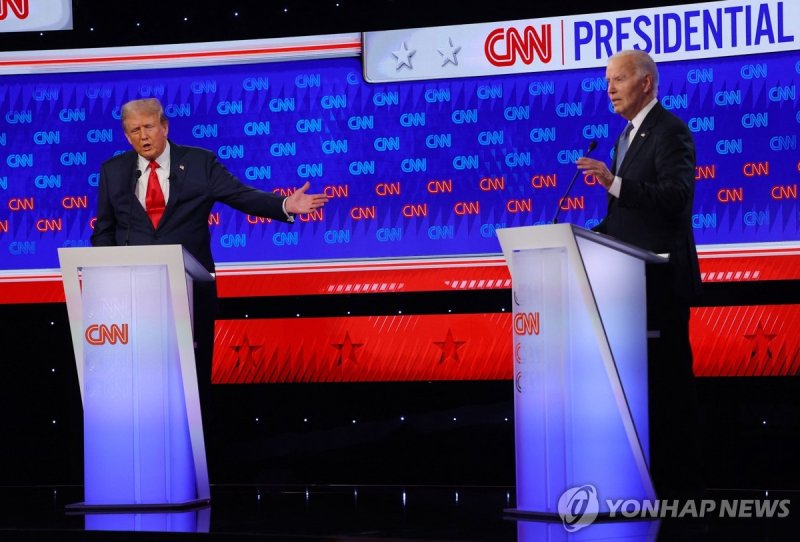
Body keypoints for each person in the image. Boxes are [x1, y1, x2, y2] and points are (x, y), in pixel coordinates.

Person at [90, 98, 328, 476]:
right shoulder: (114, 171)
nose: (143, 136)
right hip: (133, 301)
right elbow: (104, 231)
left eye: (149, 127)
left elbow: (241, 195)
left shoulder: (199, 162)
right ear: (126, 135)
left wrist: (284, 205)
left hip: (190, 293)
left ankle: (191, 467)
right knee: (140, 387)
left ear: (164, 127)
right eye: (134, 130)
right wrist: (105, 282)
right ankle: (139, 466)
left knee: (191, 386)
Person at [576, 50, 702, 498]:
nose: (609, 89)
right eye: (607, 81)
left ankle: (683, 496)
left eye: (619, 79)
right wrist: (581, 236)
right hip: (629, 290)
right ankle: (646, 490)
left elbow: (675, 198)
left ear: (646, 82)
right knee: (641, 396)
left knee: (669, 392)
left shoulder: (670, 131)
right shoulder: (625, 136)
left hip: (661, 285)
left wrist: (613, 182)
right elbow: (626, 219)